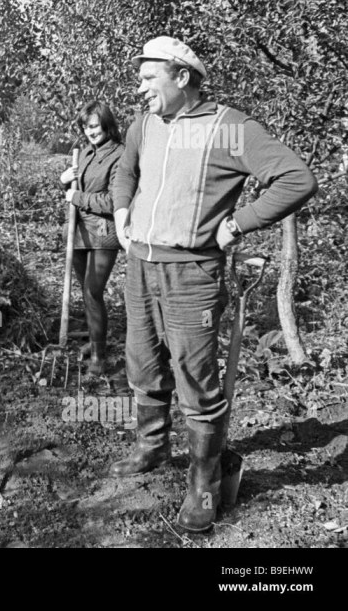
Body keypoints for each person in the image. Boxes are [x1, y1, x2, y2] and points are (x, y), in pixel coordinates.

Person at [110, 36, 318, 532]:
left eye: (148, 77)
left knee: (196, 379)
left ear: (182, 77)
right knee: (142, 363)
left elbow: (296, 179)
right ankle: (151, 446)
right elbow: (125, 169)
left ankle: (203, 483)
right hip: (141, 266)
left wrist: (237, 224)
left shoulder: (229, 128)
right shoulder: (146, 124)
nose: (139, 88)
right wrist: (122, 215)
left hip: (192, 275)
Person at [59, 101, 124, 377]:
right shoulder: (84, 153)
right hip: (79, 232)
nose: (90, 132)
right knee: (86, 294)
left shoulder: (120, 154)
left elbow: (113, 201)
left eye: (95, 126)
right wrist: (63, 181)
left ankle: (99, 356)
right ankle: (94, 340)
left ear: (107, 124)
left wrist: (77, 197)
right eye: (86, 127)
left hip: (103, 234)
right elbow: (72, 189)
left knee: (92, 291)